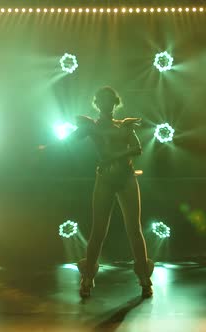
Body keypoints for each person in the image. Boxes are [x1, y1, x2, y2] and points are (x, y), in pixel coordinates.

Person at [65, 87, 154, 298]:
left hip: (126, 177)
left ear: (115, 103)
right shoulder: (93, 126)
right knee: (99, 230)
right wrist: (81, 128)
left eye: (110, 101)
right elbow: (71, 140)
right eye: (102, 101)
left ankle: (144, 278)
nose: (107, 105)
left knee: (134, 228)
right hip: (105, 178)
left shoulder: (124, 126)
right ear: (98, 103)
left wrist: (113, 156)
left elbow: (137, 149)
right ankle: (87, 277)